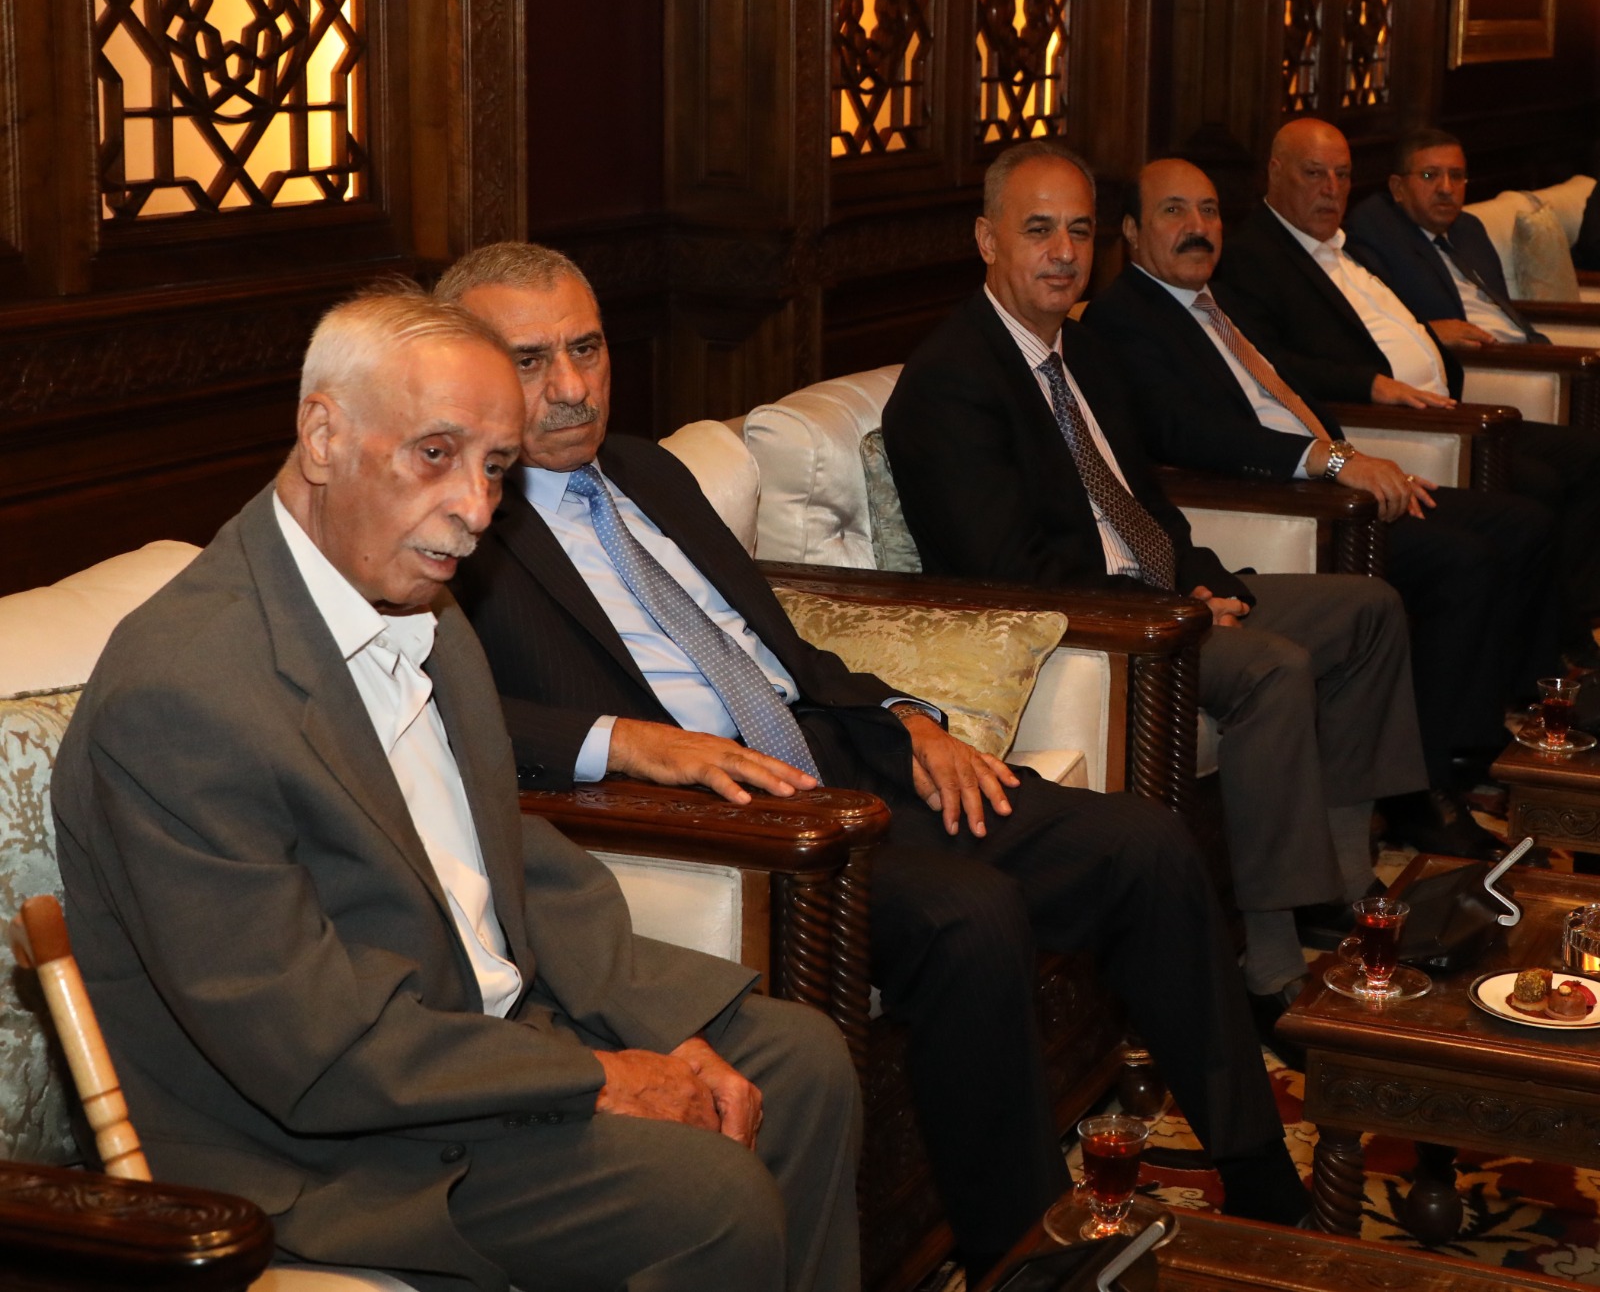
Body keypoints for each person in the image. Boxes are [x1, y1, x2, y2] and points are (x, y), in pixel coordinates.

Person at [437, 242, 1310, 1280]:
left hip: (839, 750)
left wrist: (907, 718)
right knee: (967, 915)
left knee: (1141, 844)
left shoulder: (646, 471)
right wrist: (620, 740)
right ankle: (1024, 1257)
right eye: (530, 360)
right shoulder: (457, 520)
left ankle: (1263, 1177)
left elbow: (776, 647)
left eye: (585, 349)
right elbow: (435, 704)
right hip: (734, 825)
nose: (572, 387)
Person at [53, 290, 861, 1292]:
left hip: (478, 1039)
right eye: (435, 453)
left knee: (803, 1063)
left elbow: (506, 860)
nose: (476, 510)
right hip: (329, 1142)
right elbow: (311, 1044)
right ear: (322, 435)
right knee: (708, 1200)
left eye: (496, 467)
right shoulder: (183, 691)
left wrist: (657, 1027)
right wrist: (602, 1077)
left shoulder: (419, 602)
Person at [882, 140, 1427, 1018]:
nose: (1064, 252)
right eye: (1038, 230)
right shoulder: (950, 381)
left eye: (1079, 231)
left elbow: (1147, 505)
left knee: (1367, 611)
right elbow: (1007, 573)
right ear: (987, 240)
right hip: (1093, 629)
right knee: (1272, 667)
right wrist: (1174, 611)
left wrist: (1205, 583)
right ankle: (1271, 966)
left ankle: (1343, 885)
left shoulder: (1085, 354)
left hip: (1163, 594)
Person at [1084, 157, 1558, 856]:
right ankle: (1422, 791)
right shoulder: (1122, 317)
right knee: (1462, 562)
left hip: (1329, 481)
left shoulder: (1217, 302)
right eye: (1173, 211)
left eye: (1209, 210)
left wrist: (1355, 454)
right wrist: (1330, 461)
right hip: (1284, 499)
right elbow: (1183, 432)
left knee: (1522, 525)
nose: (1197, 226)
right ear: (1130, 231)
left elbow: (1287, 384)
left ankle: (1479, 745)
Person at [1214, 118, 1600, 668]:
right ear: (1275, 173)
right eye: (1314, 173)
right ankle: (1555, 661)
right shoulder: (1252, 255)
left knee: (1585, 455)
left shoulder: (1346, 248)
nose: (1331, 189)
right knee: (1533, 497)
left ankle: (1573, 636)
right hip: (1399, 427)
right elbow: (1270, 365)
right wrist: (1371, 383)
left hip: (1447, 406)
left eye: (1342, 175)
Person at [1344, 129, 1549, 351]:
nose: (1446, 188)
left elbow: (1504, 307)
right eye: (1429, 176)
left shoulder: (1469, 229)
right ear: (1398, 188)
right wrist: (1428, 332)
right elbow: (1371, 324)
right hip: (1477, 359)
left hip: (1527, 350)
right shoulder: (1378, 228)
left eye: (1456, 176)